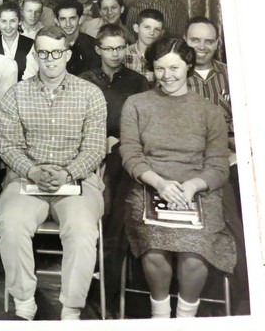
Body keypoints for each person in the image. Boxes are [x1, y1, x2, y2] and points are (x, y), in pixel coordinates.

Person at [119, 37, 236, 318]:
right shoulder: (136, 104)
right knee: (155, 248)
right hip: (149, 187)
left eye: (174, 68)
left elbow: (218, 166)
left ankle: (185, 317)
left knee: (195, 252)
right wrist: (159, 183)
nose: (167, 76)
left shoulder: (209, 112)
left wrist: (194, 185)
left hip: (198, 192)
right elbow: (131, 154)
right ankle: (160, 315)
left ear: (188, 66)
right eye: (160, 68)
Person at [0, 26, 107, 321]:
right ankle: (24, 304)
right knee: (11, 224)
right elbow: (9, 147)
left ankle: (71, 310)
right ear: (35, 55)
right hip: (27, 179)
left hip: (77, 181)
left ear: (67, 55)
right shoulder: (15, 94)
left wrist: (68, 173)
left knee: (82, 231)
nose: (50, 59)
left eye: (56, 53)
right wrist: (32, 170)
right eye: (43, 53)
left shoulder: (90, 94)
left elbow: (95, 148)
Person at [79, 25, 149, 312]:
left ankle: (108, 286)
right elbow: (76, 120)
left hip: (123, 152)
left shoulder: (137, 81)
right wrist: (99, 140)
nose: (115, 53)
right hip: (88, 151)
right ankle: (87, 277)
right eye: (109, 48)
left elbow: (144, 124)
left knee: (116, 205)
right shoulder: (84, 80)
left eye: (120, 47)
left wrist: (118, 141)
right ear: (98, 49)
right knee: (95, 205)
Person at [184, 16, 248, 314]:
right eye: (195, 40)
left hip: (232, 158)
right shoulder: (174, 75)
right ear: (185, 40)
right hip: (192, 163)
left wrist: (235, 152)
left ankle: (243, 294)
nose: (202, 46)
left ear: (217, 43)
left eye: (208, 41)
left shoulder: (234, 76)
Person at [23, 0, 100, 78]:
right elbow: (30, 75)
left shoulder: (93, 46)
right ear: (56, 21)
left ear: (80, 19)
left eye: (72, 18)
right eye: (63, 19)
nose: (68, 24)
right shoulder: (45, 44)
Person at [0, 1, 34, 81]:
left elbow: (32, 75)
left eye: (13, 21)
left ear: (20, 21)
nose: (8, 26)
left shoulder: (31, 44)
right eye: (4, 21)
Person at [124, 8, 165, 85]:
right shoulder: (124, 54)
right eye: (147, 27)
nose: (151, 33)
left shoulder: (164, 56)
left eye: (157, 29)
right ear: (136, 28)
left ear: (162, 32)